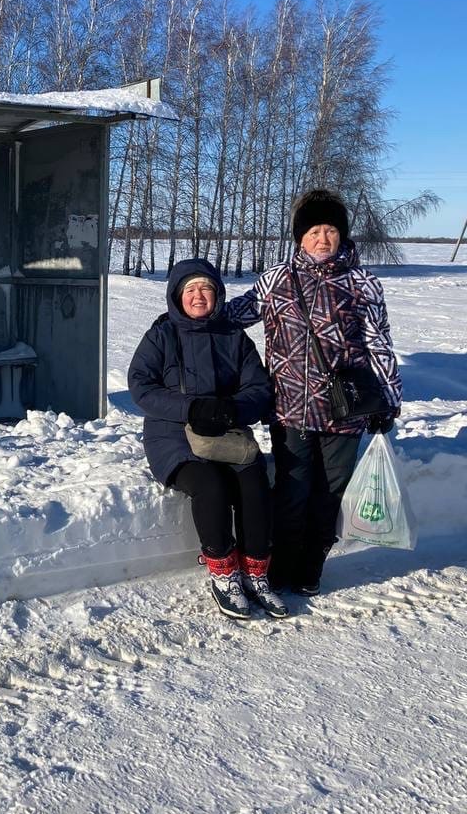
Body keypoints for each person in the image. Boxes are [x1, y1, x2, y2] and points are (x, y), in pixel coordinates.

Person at [225, 188, 403, 595]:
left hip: (346, 410)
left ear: (342, 235)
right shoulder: (277, 279)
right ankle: (281, 566)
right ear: (299, 237)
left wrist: (388, 399)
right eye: (314, 231)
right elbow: (235, 315)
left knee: (329, 494)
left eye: (331, 230)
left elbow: (378, 343)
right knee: (292, 491)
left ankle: (310, 568)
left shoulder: (362, 283)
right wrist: (188, 312)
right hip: (290, 409)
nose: (323, 239)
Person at [128, 258, 287, 620]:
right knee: (211, 486)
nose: (199, 296)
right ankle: (223, 572)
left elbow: (259, 388)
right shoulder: (161, 335)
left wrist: (232, 409)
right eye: (191, 290)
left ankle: (256, 573)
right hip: (172, 437)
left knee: (254, 482)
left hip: (226, 434)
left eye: (206, 289)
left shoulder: (233, 336)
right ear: (176, 296)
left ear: (217, 294)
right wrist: (192, 407)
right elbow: (141, 387)